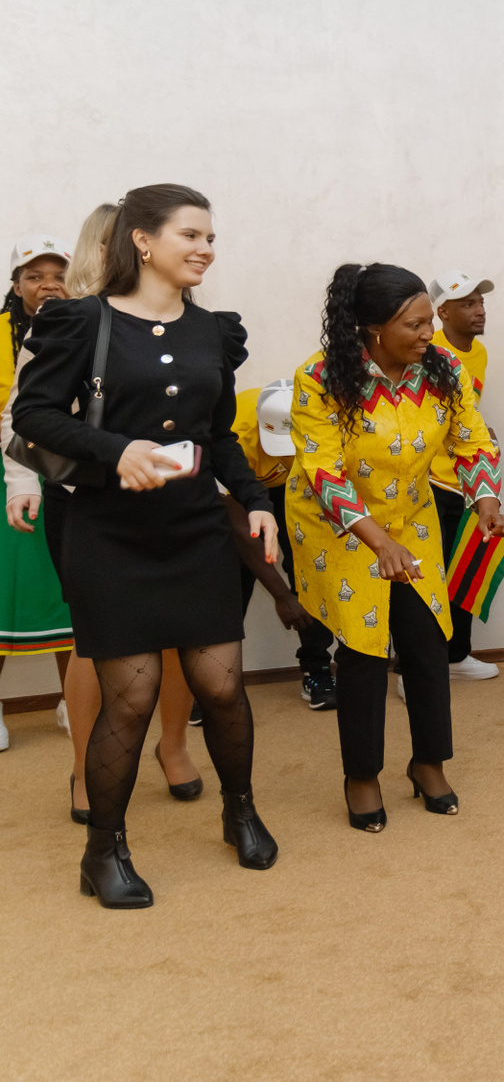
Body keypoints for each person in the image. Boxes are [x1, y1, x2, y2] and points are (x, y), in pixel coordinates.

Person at [15, 184, 280, 907]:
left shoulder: (212, 331)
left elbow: (219, 435)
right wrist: (115, 449)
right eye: (190, 235)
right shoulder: (81, 321)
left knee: (222, 688)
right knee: (129, 701)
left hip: (194, 529)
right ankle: (103, 851)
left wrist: (257, 503)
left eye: (210, 237)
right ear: (142, 240)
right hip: (110, 533)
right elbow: (34, 413)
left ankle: (240, 811)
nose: (205, 249)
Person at [289, 263, 504, 832]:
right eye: (414, 325)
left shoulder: (443, 369)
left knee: (425, 637)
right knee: (364, 648)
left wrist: (486, 502)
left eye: (428, 321)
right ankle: (361, 776)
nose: (428, 333)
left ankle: (428, 763)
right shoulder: (320, 377)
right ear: (373, 328)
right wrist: (377, 542)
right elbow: (323, 469)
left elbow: (472, 439)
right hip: (340, 521)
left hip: (409, 515)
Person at [3, 208, 206, 820]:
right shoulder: (69, 320)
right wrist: (22, 482)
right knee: (94, 639)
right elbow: (23, 414)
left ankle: (174, 747)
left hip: (171, 497)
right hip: (86, 499)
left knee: (180, 634)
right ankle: (85, 768)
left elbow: (206, 416)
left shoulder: (185, 318)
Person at [0, 237, 76, 752]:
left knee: (69, 584)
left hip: (69, 469)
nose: (48, 285)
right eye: (34, 276)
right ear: (16, 285)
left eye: (58, 275)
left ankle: (73, 698)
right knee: (5, 589)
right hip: (9, 469)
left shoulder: (86, 324)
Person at [230, 379, 337, 709]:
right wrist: (281, 596)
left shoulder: (320, 416)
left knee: (311, 568)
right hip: (240, 495)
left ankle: (317, 669)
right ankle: (216, 682)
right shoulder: (235, 432)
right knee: (231, 577)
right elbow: (238, 526)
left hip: (292, 488)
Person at [427, 269, 501, 681]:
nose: (480, 310)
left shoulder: (479, 354)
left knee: (465, 569)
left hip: (466, 479)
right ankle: (412, 668)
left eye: (481, 302)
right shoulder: (427, 350)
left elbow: (462, 412)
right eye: (468, 304)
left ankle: (456, 656)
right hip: (428, 481)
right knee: (427, 575)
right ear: (442, 312)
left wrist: (482, 431)